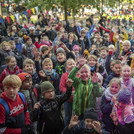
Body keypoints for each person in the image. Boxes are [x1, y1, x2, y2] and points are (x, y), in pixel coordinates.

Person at [60, 58, 76, 126]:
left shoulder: (78, 74)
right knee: (67, 116)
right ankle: (66, 129)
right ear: (66, 67)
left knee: (77, 116)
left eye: (73, 64)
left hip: (77, 99)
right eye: (70, 64)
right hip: (68, 99)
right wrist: (69, 92)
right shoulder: (64, 75)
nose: (72, 65)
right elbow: (61, 88)